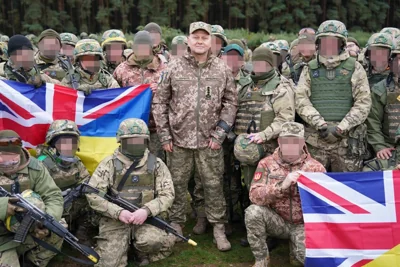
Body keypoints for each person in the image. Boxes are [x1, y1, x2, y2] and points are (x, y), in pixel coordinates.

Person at [153, 21, 237, 251]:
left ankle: (218, 228)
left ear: (211, 41)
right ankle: (176, 225)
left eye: (204, 37)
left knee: (213, 186)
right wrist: (165, 136)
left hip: (210, 142)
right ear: (188, 40)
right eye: (195, 37)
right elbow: (160, 102)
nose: (200, 41)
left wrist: (219, 134)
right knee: (177, 186)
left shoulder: (222, 69)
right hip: (178, 142)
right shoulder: (173, 68)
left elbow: (230, 103)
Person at [86, 118, 175, 266]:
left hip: (146, 218)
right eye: (130, 140)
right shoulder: (109, 164)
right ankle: (122, 247)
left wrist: (146, 211)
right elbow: (92, 194)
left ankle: (139, 249)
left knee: (154, 242)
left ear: (145, 141)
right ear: (121, 141)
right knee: (109, 263)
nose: (135, 144)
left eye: (139, 140)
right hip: (116, 219)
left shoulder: (156, 164)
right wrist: (118, 212)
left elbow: (168, 194)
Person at [245, 122, 326, 267]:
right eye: (286, 141)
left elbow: (325, 203)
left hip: (303, 224)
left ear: (302, 143)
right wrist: (281, 187)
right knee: (253, 212)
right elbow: (254, 195)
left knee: (305, 260)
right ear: (279, 142)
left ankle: (295, 248)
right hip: (277, 221)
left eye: (295, 142)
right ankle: (262, 259)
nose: (290, 146)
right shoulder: (266, 164)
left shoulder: (316, 167)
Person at [295, 20, 371, 172]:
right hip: (316, 140)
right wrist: (320, 125)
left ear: (341, 44)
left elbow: (363, 103)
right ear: (318, 44)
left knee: (346, 189)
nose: (329, 46)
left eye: (333, 42)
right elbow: (301, 100)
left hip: (346, 141)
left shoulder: (355, 67)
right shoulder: (309, 69)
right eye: (325, 42)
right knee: (314, 188)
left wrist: (340, 128)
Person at [0, 130, 63, 266]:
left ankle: (32, 262)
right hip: (2, 238)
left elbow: (53, 196)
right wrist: (5, 206)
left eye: (9, 156)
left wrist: (46, 221)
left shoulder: (35, 167)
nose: (3, 161)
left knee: (58, 227)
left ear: (19, 153)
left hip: (27, 227)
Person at [36, 120, 94, 244]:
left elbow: (85, 181)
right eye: (64, 143)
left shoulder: (76, 162)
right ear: (53, 144)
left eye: (72, 143)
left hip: (71, 205)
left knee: (93, 197)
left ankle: (81, 232)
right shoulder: (41, 164)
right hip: (51, 208)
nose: (69, 147)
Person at [113, 30, 166, 161]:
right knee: (130, 164)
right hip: (129, 131)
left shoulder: (164, 69)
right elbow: (112, 95)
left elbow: (174, 94)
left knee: (154, 164)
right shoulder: (122, 69)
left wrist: (160, 90)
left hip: (155, 130)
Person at [366, 35, 400, 162]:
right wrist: (380, 146)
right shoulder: (380, 89)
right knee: (369, 173)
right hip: (389, 148)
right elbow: (373, 122)